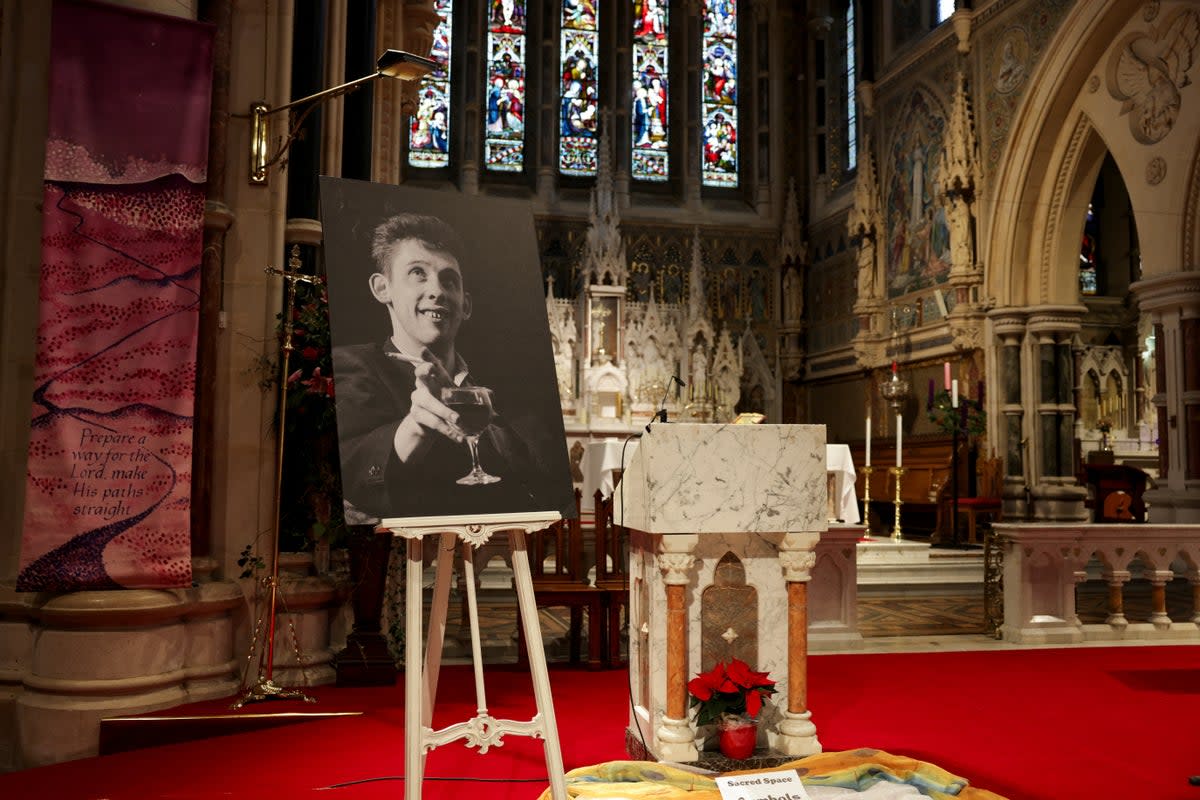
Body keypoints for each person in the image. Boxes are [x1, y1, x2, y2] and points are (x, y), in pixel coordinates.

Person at [332, 213, 563, 520]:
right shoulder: (353, 365)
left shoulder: (512, 385)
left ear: (465, 304)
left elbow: (545, 479)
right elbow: (352, 467)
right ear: (381, 288)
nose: (437, 291)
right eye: (418, 273)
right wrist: (415, 427)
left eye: (449, 280)